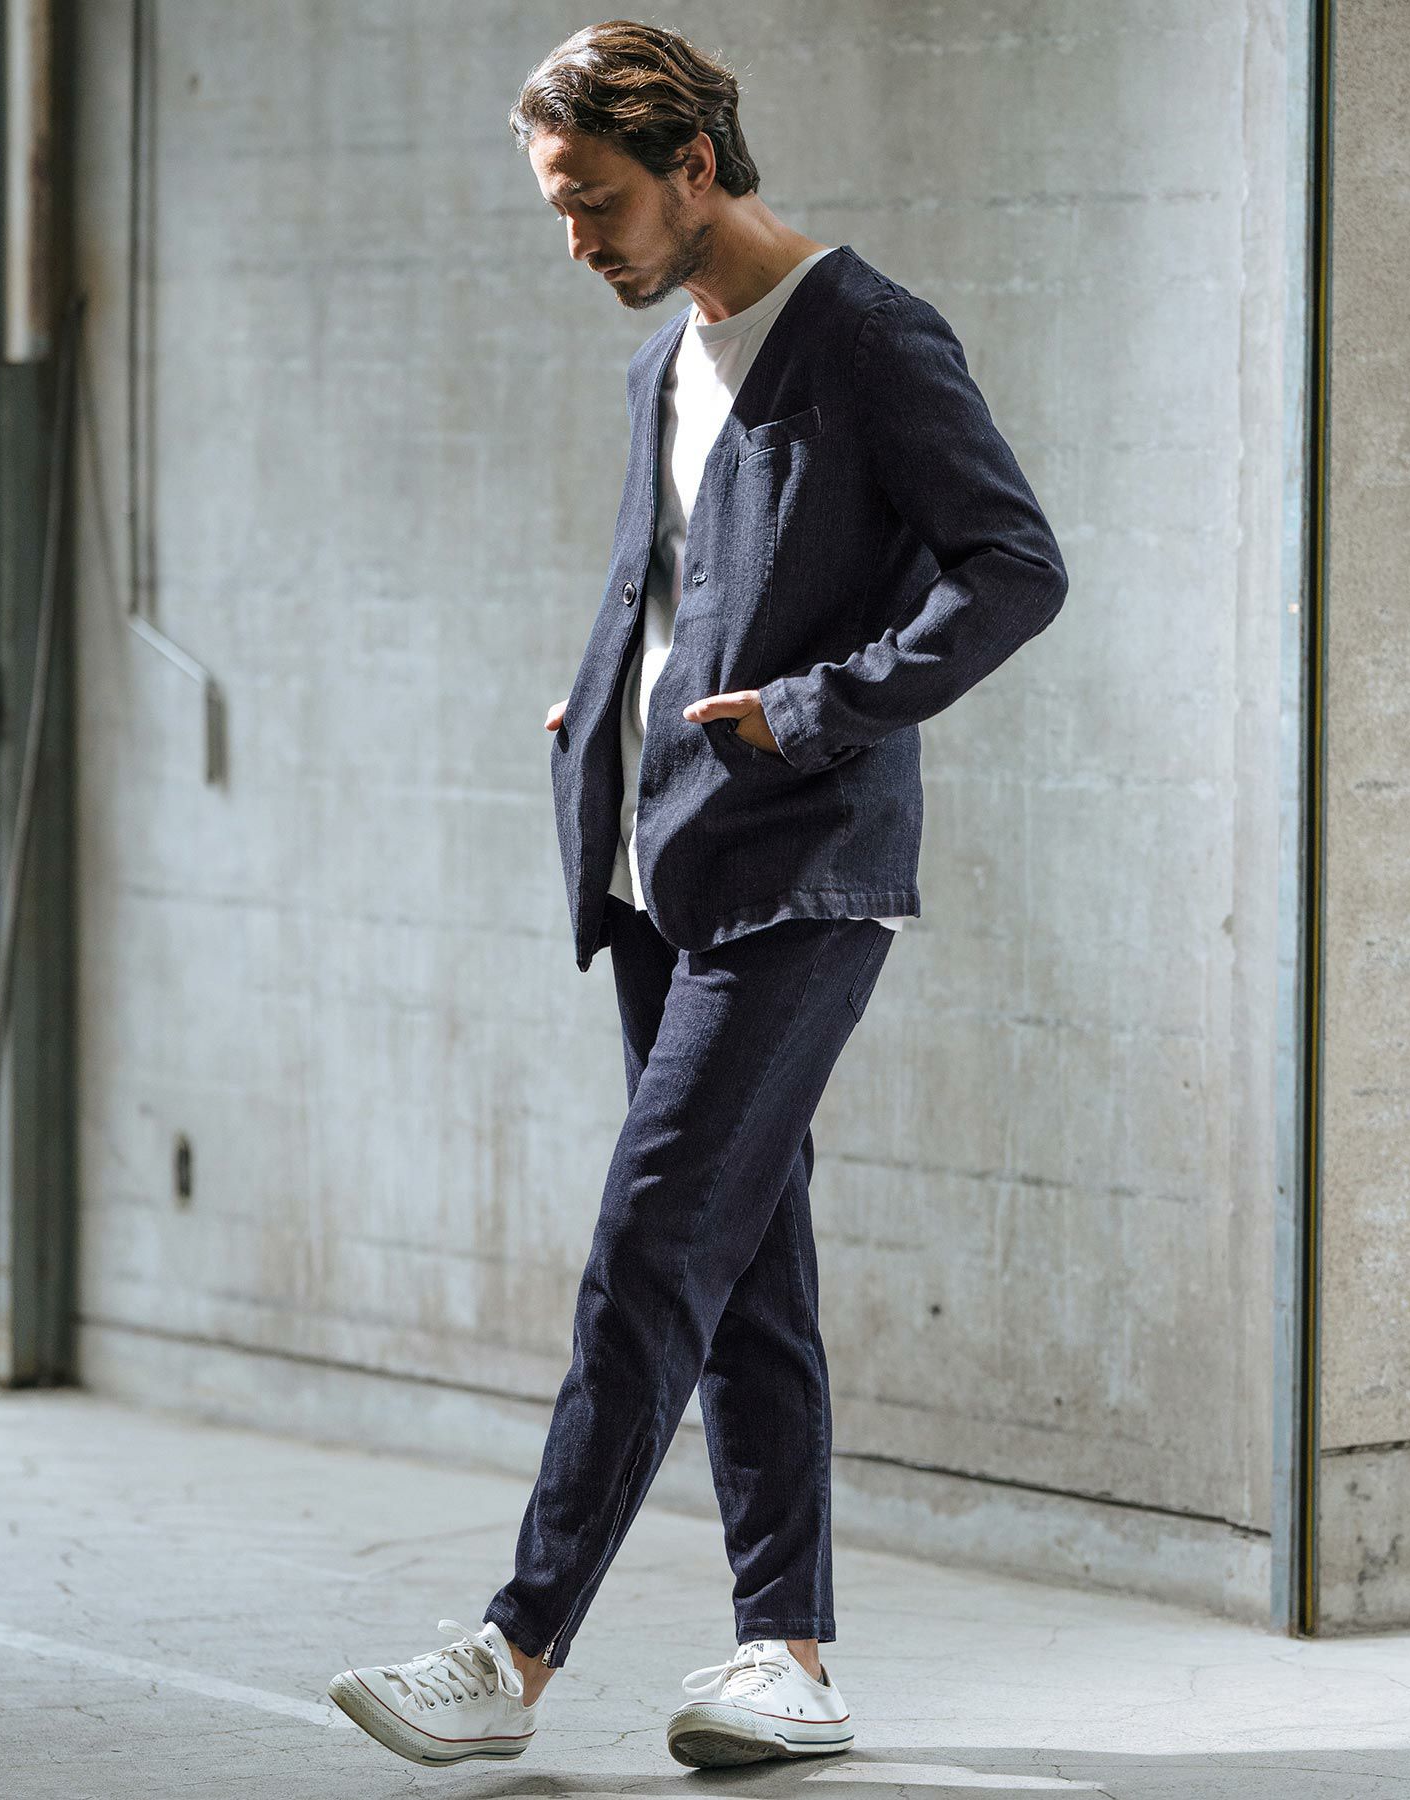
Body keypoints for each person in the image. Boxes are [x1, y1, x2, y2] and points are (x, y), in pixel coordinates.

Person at [328, 18, 1067, 1772]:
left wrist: (816, 709)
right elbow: (667, 588)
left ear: (697, 167)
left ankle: (511, 1653)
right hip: (660, 864)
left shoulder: (867, 337)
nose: (575, 239)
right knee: (742, 1269)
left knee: (653, 1240)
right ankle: (789, 1658)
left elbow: (1015, 567)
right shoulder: (664, 364)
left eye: (594, 202)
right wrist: (606, 703)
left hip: (801, 873)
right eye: (556, 207)